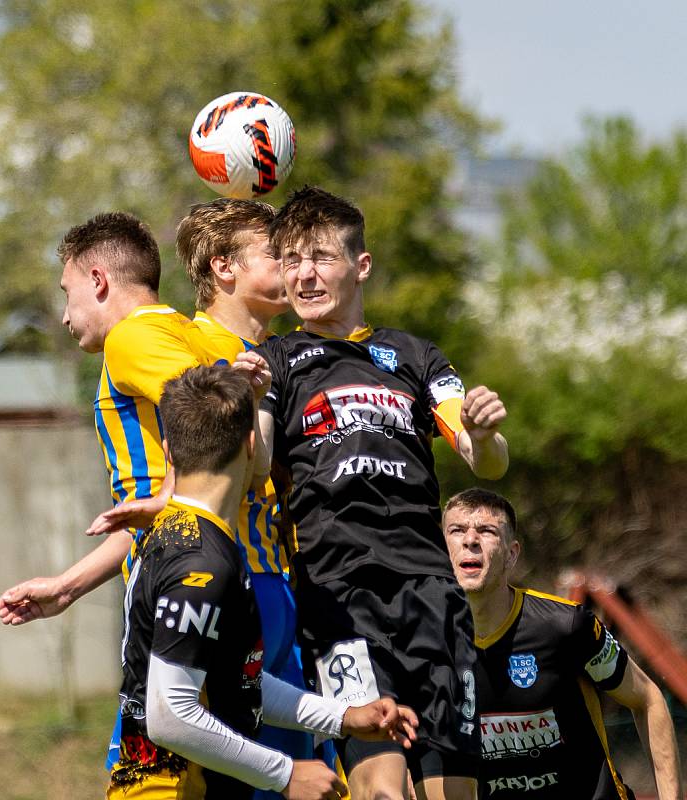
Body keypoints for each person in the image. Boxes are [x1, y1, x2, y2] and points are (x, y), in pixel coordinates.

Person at [235, 186, 509, 800]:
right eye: (291, 260)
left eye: (320, 257)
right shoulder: (278, 356)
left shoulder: (416, 356)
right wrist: (249, 402)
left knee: (453, 793)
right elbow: (255, 469)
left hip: (432, 597)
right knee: (381, 789)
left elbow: (482, 458)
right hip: (339, 598)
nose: (303, 274)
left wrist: (486, 432)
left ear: (360, 265)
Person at [109, 363, 418, 799]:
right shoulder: (201, 560)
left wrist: (343, 717)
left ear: (168, 450)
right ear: (252, 446)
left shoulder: (176, 531)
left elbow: (236, 680)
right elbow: (169, 714)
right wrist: (285, 773)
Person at [94, 197, 318, 794]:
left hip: (278, 590)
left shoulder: (288, 356)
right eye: (279, 253)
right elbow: (194, 450)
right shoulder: (181, 343)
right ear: (224, 269)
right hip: (208, 584)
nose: (296, 266)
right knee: (194, 773)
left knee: (290, 781)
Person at [0, 210, 223, 767]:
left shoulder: (132, 336)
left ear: (98, 281)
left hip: (175, 583)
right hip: (207, 570)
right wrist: (69, 587)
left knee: (150, 775)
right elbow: (148, 506)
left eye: (67, 292)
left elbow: (206, 418)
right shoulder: (191, 334)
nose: (66, 315)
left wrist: (174, 495)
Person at [443, 487, 683, 800]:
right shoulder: (427, 641)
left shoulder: (564, 625)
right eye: (457, 530)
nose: (470, 540)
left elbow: (648, 699)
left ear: (512, 553)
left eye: (487, 531)